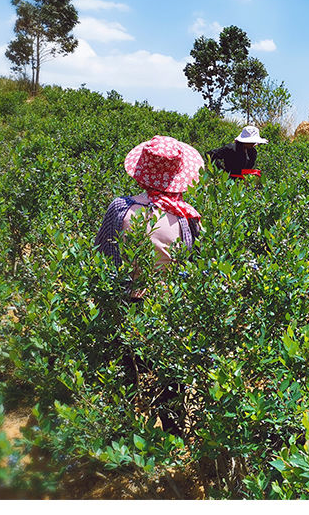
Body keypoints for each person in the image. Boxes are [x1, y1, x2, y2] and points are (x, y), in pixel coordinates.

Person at [94, 135, 204, 435]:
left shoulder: (120, 209)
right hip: (166, 311)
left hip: (125, 307)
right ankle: (173, 438)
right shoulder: (186, 218)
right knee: (169, 380)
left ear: (143, 171)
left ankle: (125, 438)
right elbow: (195, 267)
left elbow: (102, 255)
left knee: (127, 375)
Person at [96, 135, 204, 270]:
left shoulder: (120, 207)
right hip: (169, 290)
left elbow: (102, 254)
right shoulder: (188, 216)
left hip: (124, 289)